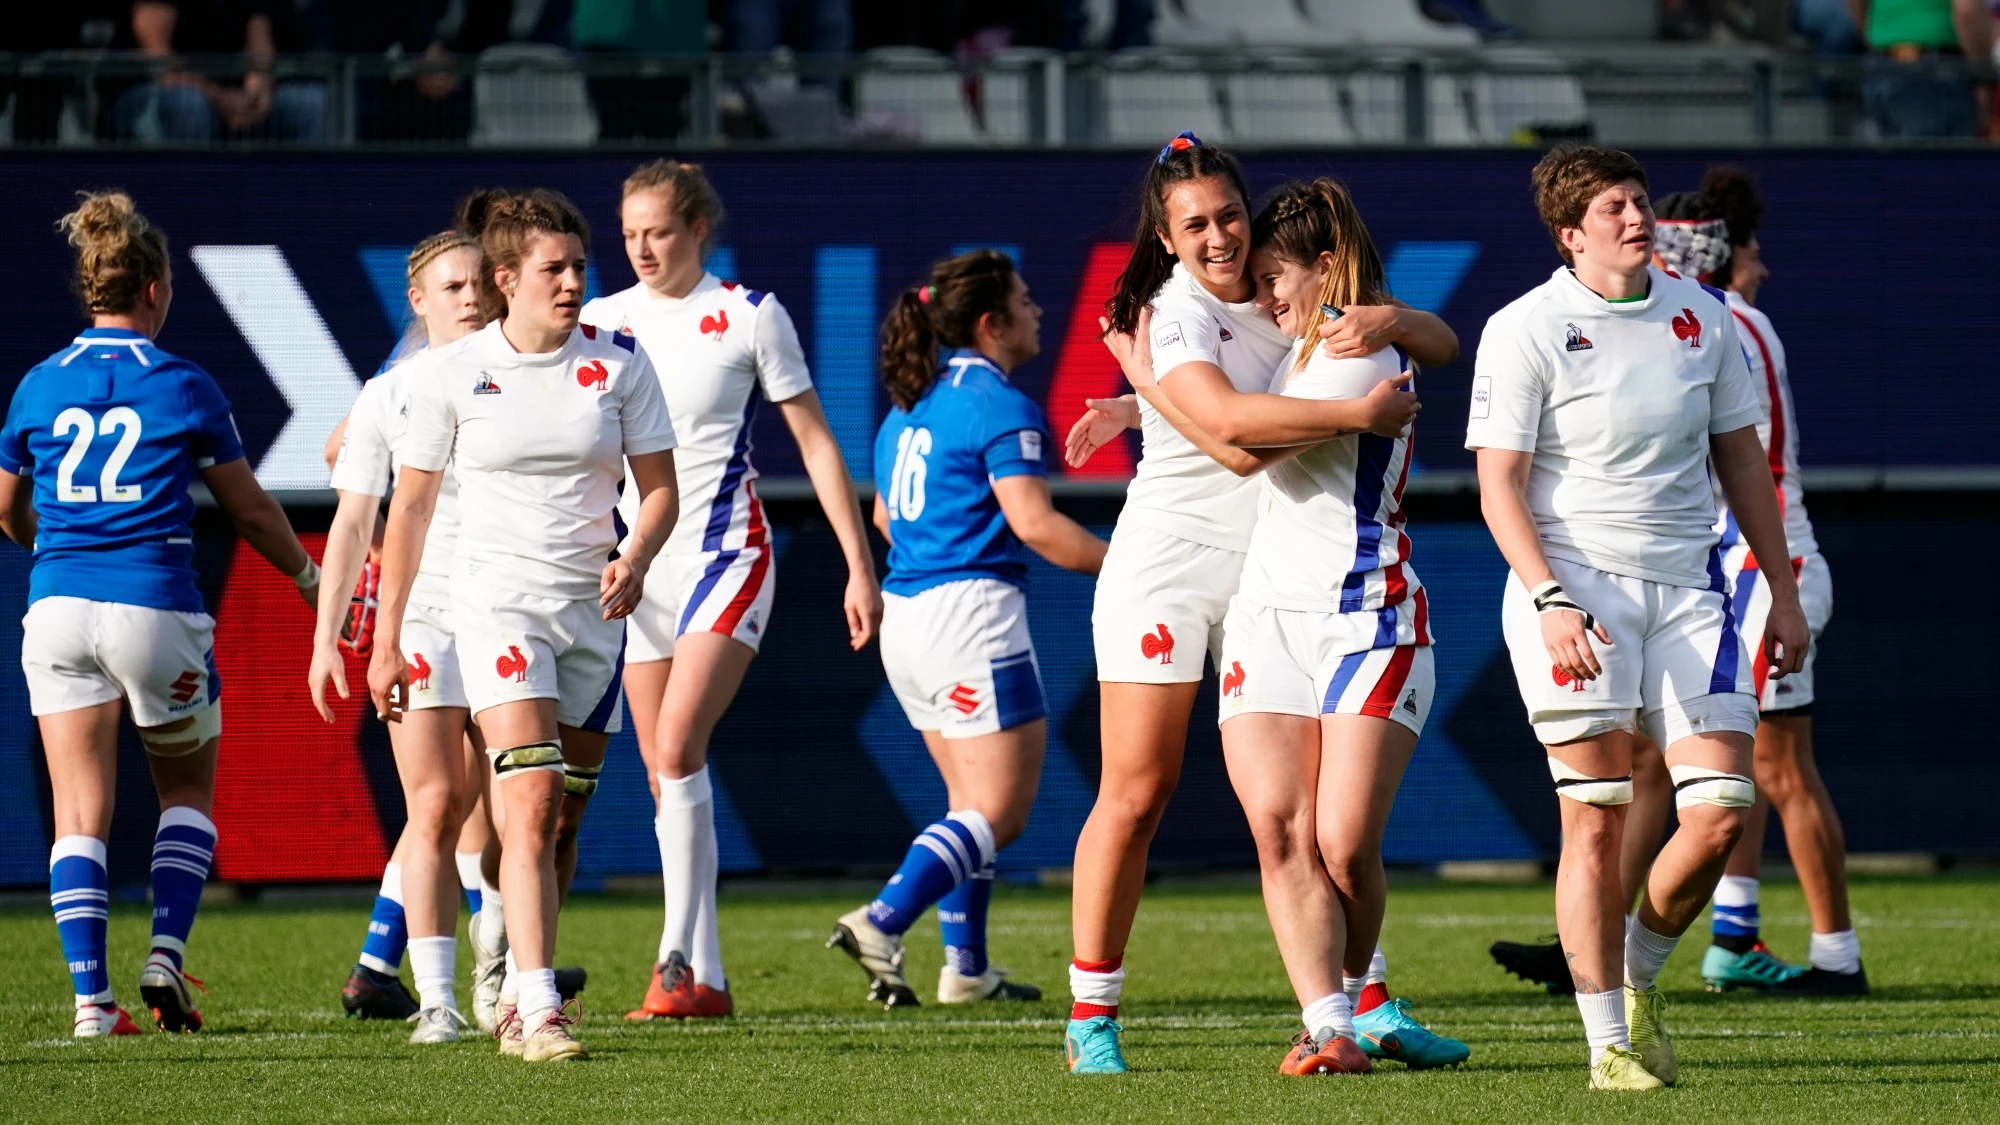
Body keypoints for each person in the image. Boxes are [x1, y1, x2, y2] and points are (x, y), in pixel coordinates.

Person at [1060, 132, 1455, 1075]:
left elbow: (1434, 343)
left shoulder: (1293, 294)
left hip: (1269, 571)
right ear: (1165, 233)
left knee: (1315, 820)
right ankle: (1092, 1015)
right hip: (1167, 563)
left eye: (1228, 214)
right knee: (1139, 788)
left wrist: (1395, 318)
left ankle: (1359, 1007)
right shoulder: (1174, 309)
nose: (1219, 238)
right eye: (1194, 224)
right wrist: (1150, 384)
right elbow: (1238, 443)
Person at [1466, 144, 1807, 1092]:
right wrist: (1548, 598)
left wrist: (1778, 590)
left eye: (1637, 200)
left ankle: (1638, 978)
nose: (1635, 216)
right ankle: (1605, 1044)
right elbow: (1498, 485)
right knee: (1597, 821)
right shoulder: (1524, 326)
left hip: (1691, 592)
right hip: (1580, 590)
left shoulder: (1705, 319)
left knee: (1720, 810)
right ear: (1572, 235)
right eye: (1612, 206)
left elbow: (1744, 463)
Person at [368, 188, 681, 1063]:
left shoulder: (621, 364)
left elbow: (659, 489)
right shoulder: (447, 373)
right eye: (556, 268)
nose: (576, 281)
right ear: (507, 279)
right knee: (531, 798)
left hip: (596, 613)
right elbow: (412, 512)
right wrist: (388, 636)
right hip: (496, 606)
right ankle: (535, 1009)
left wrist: (640, 554)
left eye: (581, 266)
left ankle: (514, 976)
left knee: (560, 822)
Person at [1, 192, 319, 1037]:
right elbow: (248, 509)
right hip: (154, 604)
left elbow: (6, 509)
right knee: (183, 786)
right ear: (152, 287)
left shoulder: (37, 383)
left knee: (79, 810)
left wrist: (53, 550)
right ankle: (166, 954)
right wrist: (308, 578)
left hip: (57, 604)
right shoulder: (182, 383)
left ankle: (90, 1005)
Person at [580, 160, 881, 1022]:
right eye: (630, 232)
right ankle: (706, 977)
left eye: (659, 231)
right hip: (639, 569)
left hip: (726, 552)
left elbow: (818, 445)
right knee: (667, 770)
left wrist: (858, 565)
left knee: (674, 748)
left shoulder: (749, 314)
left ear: (697, 230)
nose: (641, 248)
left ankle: (672, 965)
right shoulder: (601, 321)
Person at [826, 249, 1106, 1009]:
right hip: (970, 614)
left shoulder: (908, 405)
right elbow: (1036, 525)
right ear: (991, 323)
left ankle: (968, 969)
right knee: (1002, 810)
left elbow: (887, 516)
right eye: (1024, 297)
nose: (1037, 309)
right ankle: (882, 920)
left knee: (968, 803)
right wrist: (1126, 570)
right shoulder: (998, 404)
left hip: (907, 614)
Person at [1656, 168, 1864, 997]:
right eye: (1750, 249)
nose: (1763, 264)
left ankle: (1837, 957)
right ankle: (1732, 935)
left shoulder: (1720, 325)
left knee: (1778, 769)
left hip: (1760, 567)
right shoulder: (1721, 320)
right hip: (1739, 567)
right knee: (1726, 765)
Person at [308, 230, 488, 1043]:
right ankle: (440, 1001)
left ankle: (508, 983)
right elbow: (352, 520)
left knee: (524, 811)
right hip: (424, 616)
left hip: (518, 609)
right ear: (418, 301)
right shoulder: (390, 391)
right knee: (437, 803)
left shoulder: (533, 372)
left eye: (482, 280)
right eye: (452, 285)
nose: (472, 295)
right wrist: (327, 637)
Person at [117, 0, 326, 143]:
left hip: (230, 96)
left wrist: (257, 94)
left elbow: (260, 45)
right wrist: (216, 96)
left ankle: (313, 204)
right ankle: (194, 202)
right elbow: (158, 57)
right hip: (152, 93)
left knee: (313, 103)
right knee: (188, 105)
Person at [1853, 0, 1992, 138]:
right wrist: (1983, 76)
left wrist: (1880, 38)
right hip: (1933, 77)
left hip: (1878, 68)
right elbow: (1967, 10)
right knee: (1934, 159)